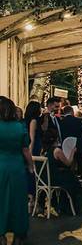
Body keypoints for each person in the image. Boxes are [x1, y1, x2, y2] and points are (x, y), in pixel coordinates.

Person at [0, 96, 31, 244]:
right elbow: (25, 150)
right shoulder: (19, 126)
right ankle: (18, 235)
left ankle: (1, 236)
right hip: (17, 167)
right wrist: (31, 166)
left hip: (1, 167)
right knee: (18, 201)